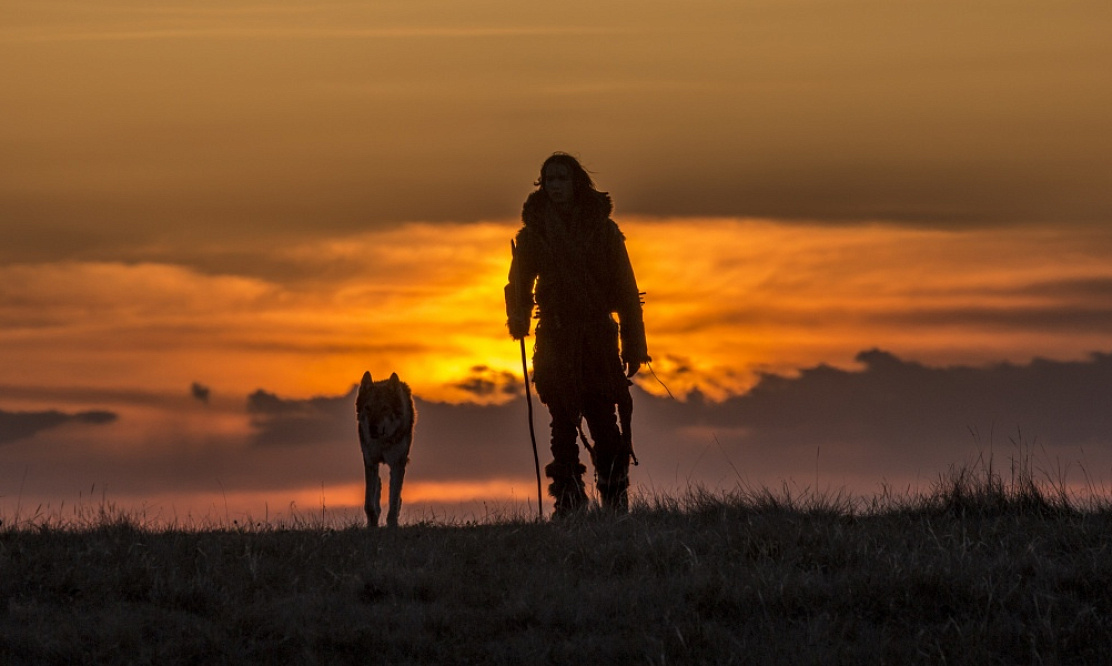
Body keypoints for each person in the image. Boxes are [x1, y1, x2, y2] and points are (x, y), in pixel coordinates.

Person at [505, 152, 650, 515]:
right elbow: (518, 284)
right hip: (555, 338)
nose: (554, 186)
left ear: (576, 183)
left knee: (604, 421)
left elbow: (627, 290)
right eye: (548, 179)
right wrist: (519, 316)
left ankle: (615, 504)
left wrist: (634, 344)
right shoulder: (533, 234)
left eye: (561, 179)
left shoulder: (604, 231)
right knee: (563, 425)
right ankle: (569, 506)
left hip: (598, 338)